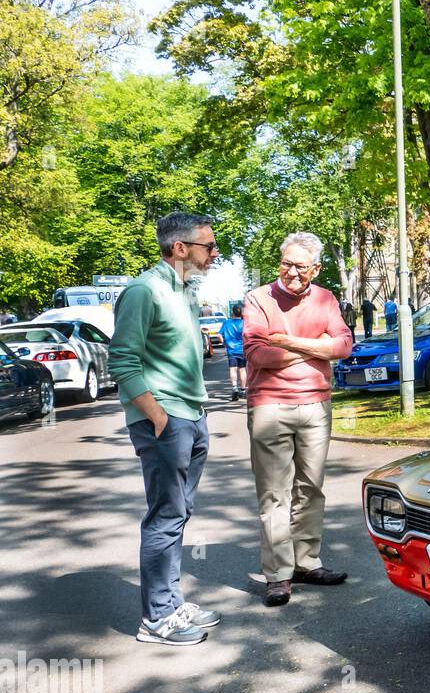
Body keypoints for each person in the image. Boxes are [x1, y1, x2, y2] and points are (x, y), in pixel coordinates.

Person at [107, 211, 222, 646]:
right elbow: (123, 360)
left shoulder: (183, 291)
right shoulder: (143, 290)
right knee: (165, 516)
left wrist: (193, 414)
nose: (214, 254)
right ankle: (157, 618)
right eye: (208, 246)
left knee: (178, 514)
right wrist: (157, 415)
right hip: (166, 420)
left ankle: (171, 603)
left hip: (191, 415)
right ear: (180, 248)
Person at [243, 232, 353, 607]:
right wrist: (317, 348)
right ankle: (278, 575)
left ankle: (306, 562)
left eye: (300, 266)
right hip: (269, 406)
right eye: (285, 262)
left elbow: (343, 346)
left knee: (311, 487)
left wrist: (287, 341)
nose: (291, 271)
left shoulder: (325, 298)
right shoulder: (258, 299)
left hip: (316, 405)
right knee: (274, 493)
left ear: (315, 269)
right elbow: (260, 356)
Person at [220, 304, 246, 400]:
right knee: (242, 370)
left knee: (233, 369)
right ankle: (243, 390)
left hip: (231, 351)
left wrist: (224, 343)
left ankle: (235, 388)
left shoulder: (226, 323)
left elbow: (219, 335)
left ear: (233, 312)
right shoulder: (244, 323)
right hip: (242, 350)